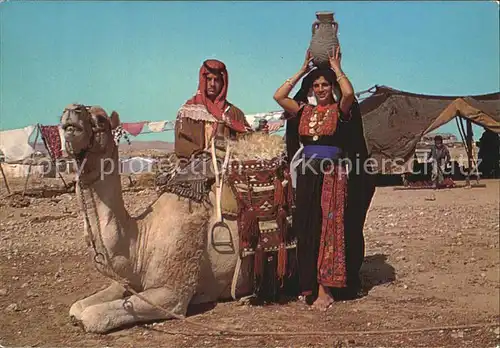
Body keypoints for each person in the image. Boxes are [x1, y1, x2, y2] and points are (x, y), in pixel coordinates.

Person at [273, 46, 367, 310]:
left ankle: (326, 290)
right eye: (317, 85)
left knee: (329, 230)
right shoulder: (303, 111)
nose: (321, 88)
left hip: (332, 175)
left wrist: (336, 68)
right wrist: (303, 69)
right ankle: (309, 285)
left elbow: (348, 93)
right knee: (307, 228)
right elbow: (278, 96)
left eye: (325, 84)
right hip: (307, 175)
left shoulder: (340, 110)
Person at [174, 59, 252, 164]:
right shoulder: (188, 111)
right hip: (193, 165)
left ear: (223, 83)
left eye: (217, 80)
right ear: (202, 80)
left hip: (226, 165)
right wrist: (203, 156)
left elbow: (246, 140)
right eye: (209, 79)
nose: (212, 84)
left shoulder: (234, 113)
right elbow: (182, 143)